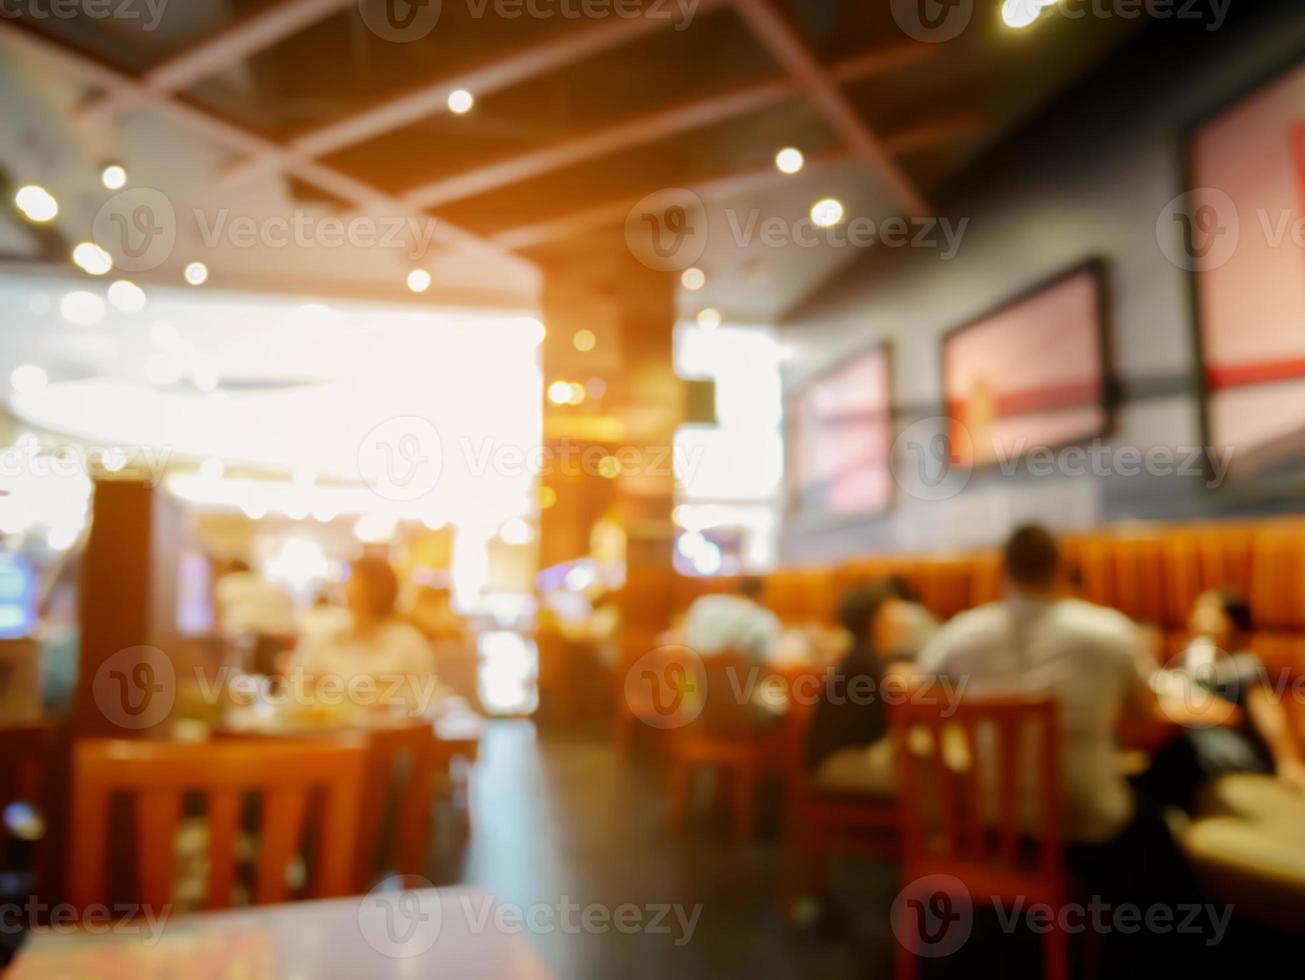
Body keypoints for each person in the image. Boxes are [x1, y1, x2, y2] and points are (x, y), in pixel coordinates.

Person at [915, 525, 1200, 975]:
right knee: (1155, 832)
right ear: (1062, 570)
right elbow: (1146, 721)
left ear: (1002, 572)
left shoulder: (962, 633)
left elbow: (917, 696)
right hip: (1084, 822)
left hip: (989, 821)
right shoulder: (1108, 631)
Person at [1146, 589, 1305, 804]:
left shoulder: (1246, 665)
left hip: (1238, 747)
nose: (1200, 616)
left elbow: (1269, 714)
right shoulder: (1197, 655)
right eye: (1198, 609)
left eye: (1211, 610)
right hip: (1200, 737)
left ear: (1234, 622)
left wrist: (1288, 761)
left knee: (1185, 754)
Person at [287, 557, 444, 716]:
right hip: (329, 734)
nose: (347, 589)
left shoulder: (408, 642)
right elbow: (296, 688)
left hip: (390, 734)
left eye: (355, 584)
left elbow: (429, 697)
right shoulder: (327, 637)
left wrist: (389, 700)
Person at [803, 579, 912, 793]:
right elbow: (888, 723)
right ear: (875, 621)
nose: (903, 622)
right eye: (892, 613)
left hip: (851, 753)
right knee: (924, 774)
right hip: (837, 762)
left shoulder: (864, 657)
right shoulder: (863, 663)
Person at [682, 576, 781, 663]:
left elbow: (686, 639)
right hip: (740, 682)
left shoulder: (703, 604)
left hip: (695, 680)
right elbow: (771, 659)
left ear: (734, 589)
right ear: (760, 595)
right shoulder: (763, 619)